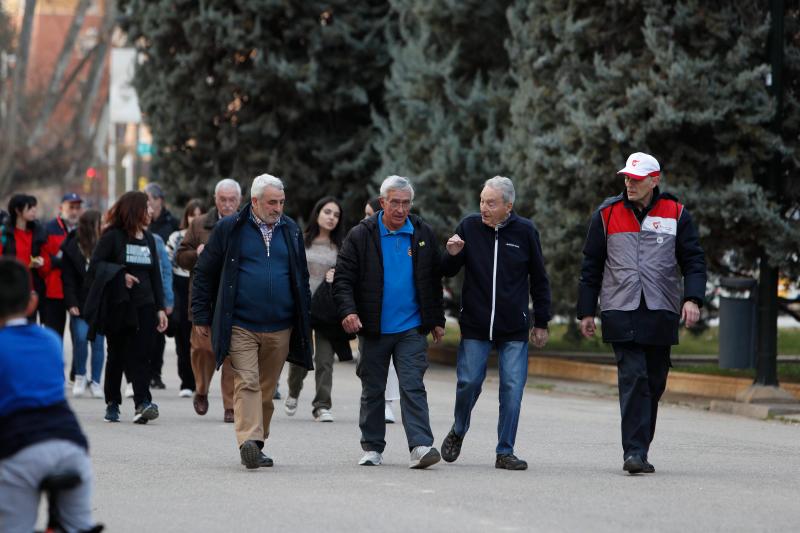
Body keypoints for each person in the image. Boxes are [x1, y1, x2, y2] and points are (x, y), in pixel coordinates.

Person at [577, 152, 706, 474]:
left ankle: (640, 450)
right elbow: (591, 266)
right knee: (634, 377)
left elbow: (693, 260)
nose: (629, 184)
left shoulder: (676, 213)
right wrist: (586, 312)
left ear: (654, 180)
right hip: (621, 308)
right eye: (627, 178)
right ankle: (633, 452)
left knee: (655, 382)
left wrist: (692, 299)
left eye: (636, 179)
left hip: (661, 309)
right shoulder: (606, 214)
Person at [192, 174, 313, 469]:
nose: (278, 208)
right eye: (272, 202)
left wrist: (304, 317)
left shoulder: (290, 230)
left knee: (266, 391)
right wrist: (201, 315)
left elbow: (301, 277)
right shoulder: (230, 228)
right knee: (247, 382)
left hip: (281, 326)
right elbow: (204, 272)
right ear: (255, 201)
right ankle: (248, 440)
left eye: (281, 202)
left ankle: (257, 444)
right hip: (241, 323)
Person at [439, 176, 551, 471]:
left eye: (490, 203)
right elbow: (446, 270)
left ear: (508, 206)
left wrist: (541, 321)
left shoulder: (525, 231)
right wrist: (451, 254)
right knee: (468, 382)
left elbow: (540, 279)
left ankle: (505, 451)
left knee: (512, 387)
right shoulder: (469, 226)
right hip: (476, 324)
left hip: (514, 326)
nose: (483, 208)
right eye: (481, 201)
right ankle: (458, 429)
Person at [333, 175, 445, 469]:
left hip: (411, 327)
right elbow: (343, 278)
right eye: (395, 202)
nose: (401, 209)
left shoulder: (421, 232)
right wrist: (348, 311)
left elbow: (432, 279)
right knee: (373, 388)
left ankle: (420, 446)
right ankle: (372, 447)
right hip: (374, 327)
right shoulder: (361, 235)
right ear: (382, 202)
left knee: (412, 385)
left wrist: (436, 319)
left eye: (406, 203)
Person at [0, 258, 97, 532]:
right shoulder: (50, 340)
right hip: (71, 445)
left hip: (20, 450)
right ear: (32, 303)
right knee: (79, 526)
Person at [85, 191, 168, 424]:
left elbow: (155, 275)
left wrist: (161, 308)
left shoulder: (149, 238)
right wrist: (121, 275)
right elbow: (96, 266)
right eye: (146, 206)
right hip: (120, 306)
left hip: (146, 306)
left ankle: (143, 403)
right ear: (135, 210)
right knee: (117, 355)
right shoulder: (113, 236)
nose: (150, 211)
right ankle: (112, 402)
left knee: (142, 355)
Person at [176, 179, 240, 422]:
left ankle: (230, 406)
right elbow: (180, 257)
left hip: (234, 298)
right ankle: (201, 389)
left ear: (239, 200)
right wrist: (196, 254)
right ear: (215, 199)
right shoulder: (199, 224)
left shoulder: (245, 225)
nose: (227, 204)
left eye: (232, 200)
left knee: (233, 353)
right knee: (203, 349)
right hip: (204, 298)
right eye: (223, 199)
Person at [285, 196, 347, 422]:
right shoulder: (301, 241)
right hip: (301, 308)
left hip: (327, 311)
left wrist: (337, 275)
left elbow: (348, 276)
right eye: (327, 212)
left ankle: (321, 405)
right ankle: (293, 391)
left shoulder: (341, 247)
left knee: (325, 360)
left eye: (336, 215)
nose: (331, 217)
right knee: (300, 357)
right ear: (317, 213)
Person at [362, 197, 400, 424]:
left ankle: (387, 404)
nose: (366, 218)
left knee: (392, 364)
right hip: (370, 313)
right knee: (367, 366)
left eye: (369, 214)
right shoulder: (362, 236)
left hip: (396, 313)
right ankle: (374, 400)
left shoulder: (397, 237)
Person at [61, 209, 106, 398]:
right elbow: (67, 278)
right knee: (80, 338)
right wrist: (71, 302)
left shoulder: (104, 244)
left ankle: (95, 381)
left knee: (98, 343)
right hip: (79, 302)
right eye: (99, 223)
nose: (103, 226)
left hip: (99, 303)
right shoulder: (72, 246)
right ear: (90, 226)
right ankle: (80, 376)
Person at [167, 199, 205, 398]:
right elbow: (167, 263)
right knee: (182, 337)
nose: (194, 218)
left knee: (198, 338)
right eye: (192, 214)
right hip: (179, 285)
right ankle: (186, 382)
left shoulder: (207, 236)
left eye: (199, 214)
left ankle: (200, 380)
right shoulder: (176, 237)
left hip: (199, 285)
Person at [144, 183, 178, 389]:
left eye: (151, 199)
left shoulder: (171, 224)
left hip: (164, 283)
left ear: (160, 201)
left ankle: (155, 373)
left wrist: (168, 297)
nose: (148, 204)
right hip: (145, 285)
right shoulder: (142, 223)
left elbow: (168, 265)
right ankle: (143, 373)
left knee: (159, 333)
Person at [40, 192, 83, 343]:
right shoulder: (49, 228)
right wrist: (63, 262)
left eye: (77, 207)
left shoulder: (83, 228)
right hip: (54, 289)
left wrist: (60, 261)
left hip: (77, 290)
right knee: (54, 336)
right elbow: (44, 259)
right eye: (71, 207)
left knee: (79, 338)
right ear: (61, 208)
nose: (75, 211)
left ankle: (75, 363)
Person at [1, 194, 48, 321]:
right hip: (9, 289)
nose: (34, 210)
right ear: (18, 210)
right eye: (30, 207)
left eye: (35, 207)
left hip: (31, 290)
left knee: (29, 324)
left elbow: (46, 260)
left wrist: (41, 262)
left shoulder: (38, 232)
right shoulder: (4, 233)